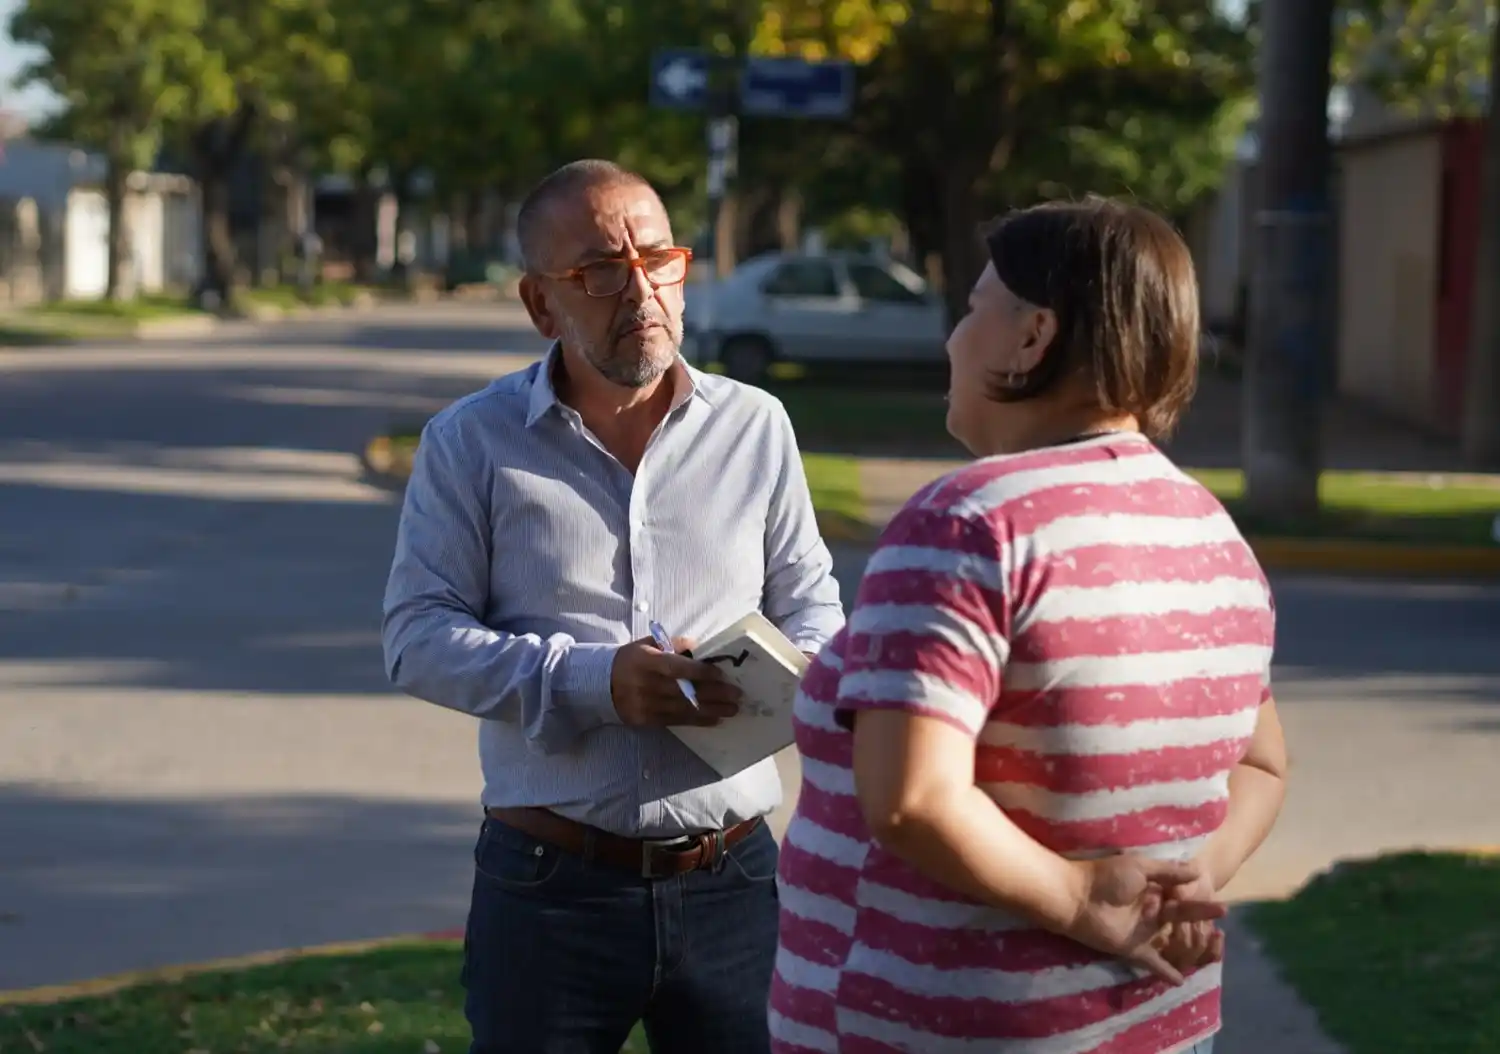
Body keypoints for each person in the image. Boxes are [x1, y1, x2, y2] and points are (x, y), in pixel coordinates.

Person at [769, 197, 1289, 1054]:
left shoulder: (967, 523)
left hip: (945, 1028)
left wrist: (1087, 904)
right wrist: (1189, 882)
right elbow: (1263, 764)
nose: (952, 337)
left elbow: (910, 799)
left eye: (974, 308)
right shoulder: (1205, 528)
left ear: (1031, 336)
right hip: (1160, 1026)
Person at [382, 159, 844, 1054]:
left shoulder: (756, 426)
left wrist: (775, 682)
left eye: (659, 260)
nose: (641, 292)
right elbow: (417, 637)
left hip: (734, 877)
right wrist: (599, 681)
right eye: (600, 271)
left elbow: (812, 604)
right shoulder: (469, 442)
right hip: (550, 887)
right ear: (540, 303)